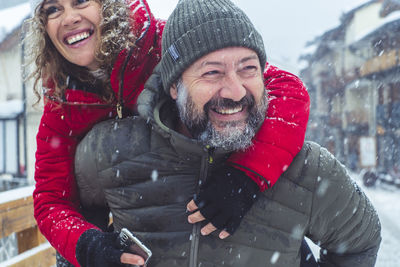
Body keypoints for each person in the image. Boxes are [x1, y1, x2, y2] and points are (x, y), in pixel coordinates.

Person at [75, 0, 381, 266]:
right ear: (173, 87)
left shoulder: (307, 167)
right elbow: (75, 231)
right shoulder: (108, 151)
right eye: (212, 72)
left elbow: (360, 241)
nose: (235, 91)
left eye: (248, 69)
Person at [25, 0, 310, 266]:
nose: (69, 18)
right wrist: (86, 244)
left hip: (232, 211)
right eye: (52, 9)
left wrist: (246, 176)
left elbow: (286, 91)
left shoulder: (162, 44)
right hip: (153, 226)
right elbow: (51, 199)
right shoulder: (64, 102)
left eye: (81, 1)